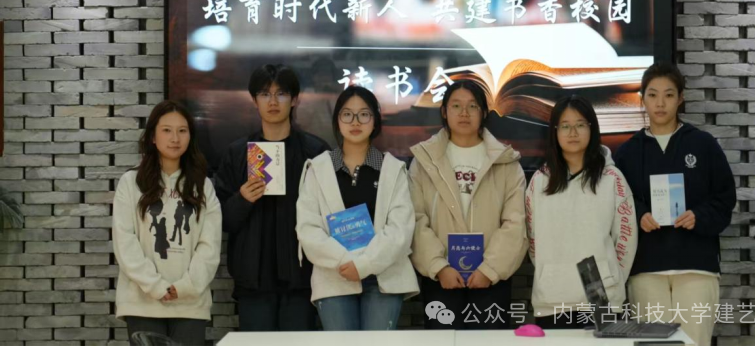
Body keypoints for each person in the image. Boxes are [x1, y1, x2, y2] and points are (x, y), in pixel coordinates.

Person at [614, 62, 736, 346]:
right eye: (652, 95)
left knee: (694, 342)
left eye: (668, 95)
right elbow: (619, 201)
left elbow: (724, 198)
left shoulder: (703, 144)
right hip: (647, 268)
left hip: (696, 267)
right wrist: (640, 214)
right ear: (642, 98)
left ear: (680, 98)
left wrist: (699, 216)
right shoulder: (628, 152)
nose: (660, 103)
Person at [214, 64, 329, 331]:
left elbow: (331, 213)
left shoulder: (315, 152)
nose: (273, 102)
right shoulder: (237, 153)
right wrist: (242, 199)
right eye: (265, 94)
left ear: (295, 99)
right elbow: (221, 220)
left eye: (281, 94)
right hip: (253, 280)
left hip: (302, 278)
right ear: (254, 100)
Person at [296, 86, 419, 330]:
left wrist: (363, 265)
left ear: (375, 121)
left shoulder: (392, 169)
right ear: (337, 120)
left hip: (383, 278)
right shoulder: (318, 169)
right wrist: (346, 262)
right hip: (334, 276)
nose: (355, 122)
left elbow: (400, 230)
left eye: (364, 114)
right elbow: (308, 229)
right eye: (347, 114)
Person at [409, 80, 528, 330]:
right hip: (441, 280)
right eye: (456, 106)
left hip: (491, 280)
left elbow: (515, 223)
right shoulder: (423, 161)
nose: (464, 113)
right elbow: (416, 220)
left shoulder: (506, 162)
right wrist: (439, 266)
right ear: (444, 112)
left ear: (483, 112)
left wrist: (489, 269)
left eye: (472, 106)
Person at [113, 100, 221, 345]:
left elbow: (210, 246)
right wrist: (155, 286)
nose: (175, 138)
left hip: (190, 304)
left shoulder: (203, 186)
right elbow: (125, 242)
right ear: (153, 136)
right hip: (142, 303)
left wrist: (185, 287)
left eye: (182, 130)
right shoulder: (130, 183)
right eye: (166, 130)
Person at [525, 95, 637, 328]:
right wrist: (549, 272)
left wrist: (612, 277)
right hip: (552, 299)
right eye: (565, 126)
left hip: (602, 298)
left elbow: (626, 238)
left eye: (580, 125)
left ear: (591, 128)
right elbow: (532, 238)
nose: (573, 133)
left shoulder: (612, 178)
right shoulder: (540, 181)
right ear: (555, 132)